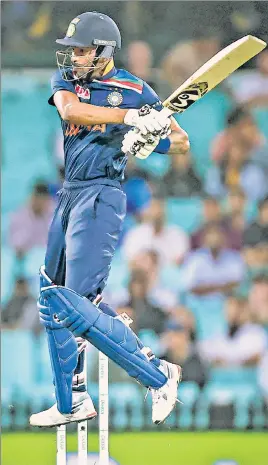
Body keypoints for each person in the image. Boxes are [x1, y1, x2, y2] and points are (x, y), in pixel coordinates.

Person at [29, 11, 189, 428]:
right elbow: (70, 112)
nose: (75, 58)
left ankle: (158, 376)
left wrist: (148, 140)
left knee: (77, 303)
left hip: (102, 194)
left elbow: (181, 142)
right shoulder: (67, 83)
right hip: (70, 193)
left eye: (83, 51)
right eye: (74, 50)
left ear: (104, 52)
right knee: (51, 300)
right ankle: (71, 401)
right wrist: (129, 120)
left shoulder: (136, 89)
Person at [9, 182, 54, 259]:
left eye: (42, 199)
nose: (39, 202)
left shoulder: (54, 215)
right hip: (26, 260)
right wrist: (34, 218)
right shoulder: (20, 216)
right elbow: (17, 247)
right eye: (36, 198)